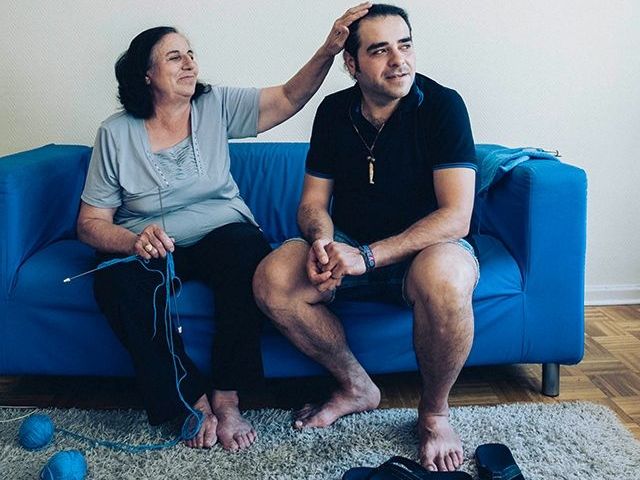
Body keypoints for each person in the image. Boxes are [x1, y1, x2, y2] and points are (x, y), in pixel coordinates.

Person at [77, 3, 371, 452]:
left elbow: (288, 98)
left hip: (222, 232)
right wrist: (134, 240)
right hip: (152, 243)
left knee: (247, 255)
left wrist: (328, 50)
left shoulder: (214, 104)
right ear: (146, 75)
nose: (189, 63)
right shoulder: (114, 134)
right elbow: (90, 223)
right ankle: (188, 397)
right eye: (174, 56)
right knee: (114, 283)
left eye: (191, 53)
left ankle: (228, 396)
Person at [253, 4, 478, 472]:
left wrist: (369, 257)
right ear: (352, 64)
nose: (399, 61)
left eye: (405, 45)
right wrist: (322, 240)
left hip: (423, 251)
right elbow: (312, 204)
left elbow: (456, 217)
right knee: (273, 278)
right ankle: (356, 386)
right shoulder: (334, 112)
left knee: (447, 275)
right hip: (350, 246)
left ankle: (434, 413)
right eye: (380, 50)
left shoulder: (443, 105)